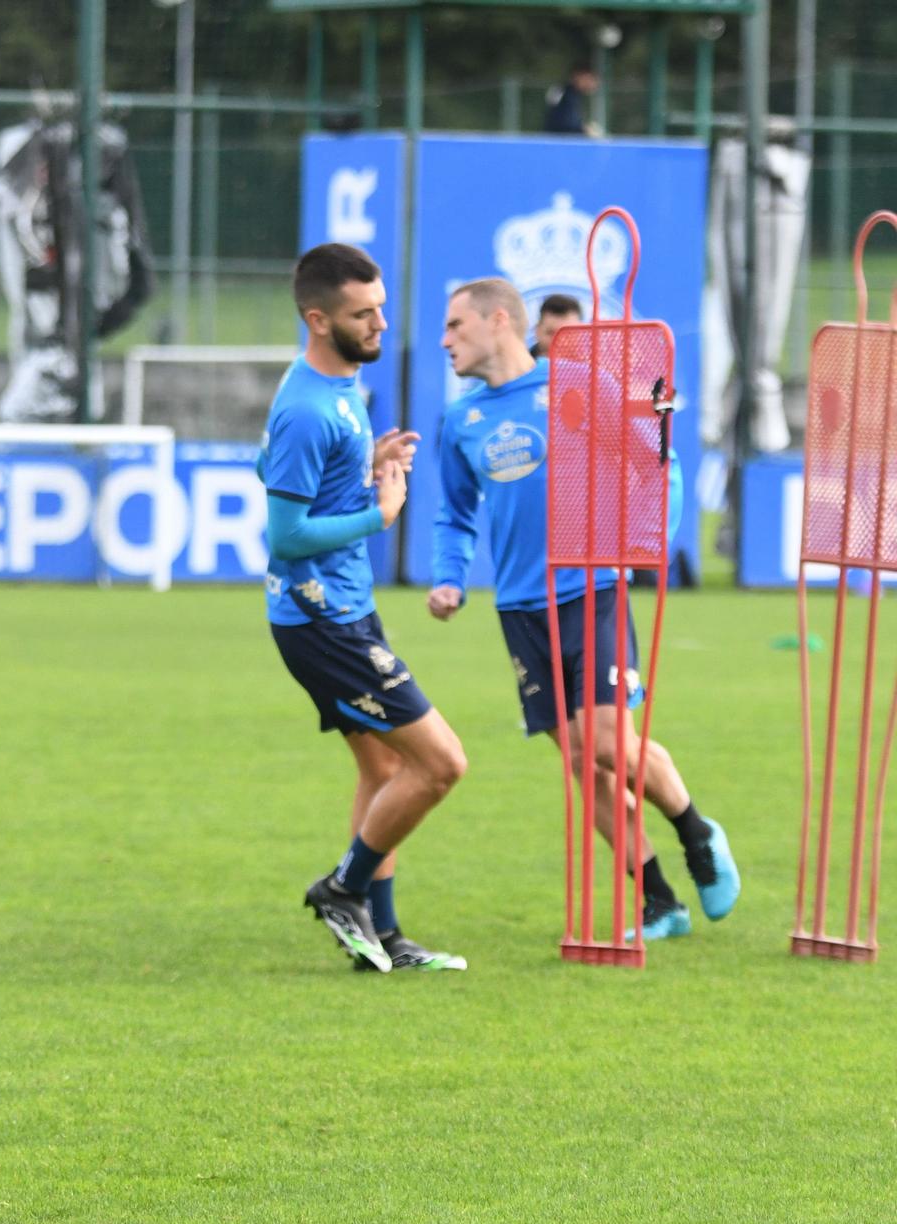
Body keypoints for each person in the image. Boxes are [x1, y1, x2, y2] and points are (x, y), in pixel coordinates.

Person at [429, 279, 740, 938]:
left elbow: (657, 460)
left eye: (456, 326)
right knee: (578, 762)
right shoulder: (459, 421)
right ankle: (660, 902)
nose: (445, 339)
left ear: (499, 322)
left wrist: (651, 539)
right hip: (519, 608)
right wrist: (448, 578)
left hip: (590, 590)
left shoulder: (577, 386)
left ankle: (697, 833)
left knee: (606, 741)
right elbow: (453, 514)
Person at [262, 242, 469, 974]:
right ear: (318, 320)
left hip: (348, 606)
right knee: (442, 764)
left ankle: (383, 937)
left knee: (385, 770)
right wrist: (378, 514)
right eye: (362, 314)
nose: (381, 322)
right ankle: (344, 888)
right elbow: (284, 536)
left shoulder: (345, 384)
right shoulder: (306, 410)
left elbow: (317, 489)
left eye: (381, 306)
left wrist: (368, 464)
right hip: (321, 621)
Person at [543, 64, 599, 135]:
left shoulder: (570, 93)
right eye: (590, 78)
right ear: (578, 76)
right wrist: (584, 130)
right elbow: (565, 123)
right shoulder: (567, 94)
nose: (593, 83)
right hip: (559, 139)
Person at [530, 293, 582, 359]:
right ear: (537, 331)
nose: (560, 342)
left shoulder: (593, 366)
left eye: (568, 334)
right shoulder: (519, 367)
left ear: (581, 334)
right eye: (551, 333)